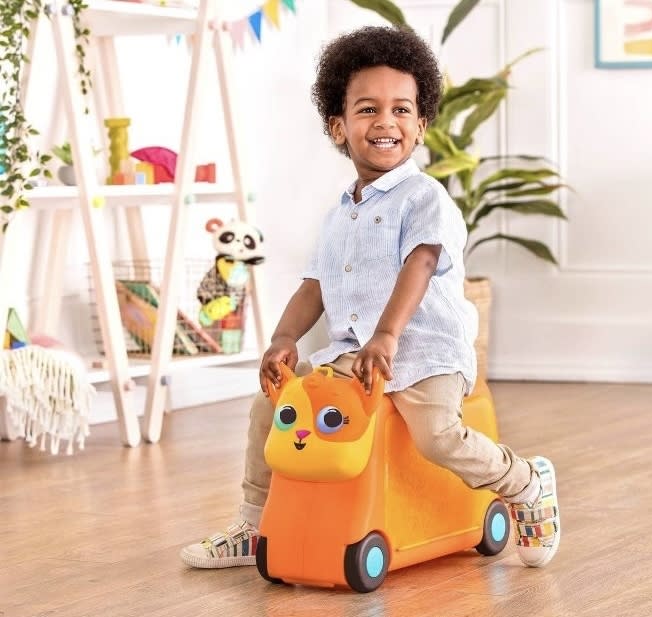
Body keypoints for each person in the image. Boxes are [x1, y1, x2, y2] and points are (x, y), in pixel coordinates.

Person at [181, 25, 559, 570]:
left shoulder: (425, 198)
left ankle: (524, 482)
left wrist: (387, 335)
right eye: (367, 109)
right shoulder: (338, 216)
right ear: (338, 126)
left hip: (425, 351)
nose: (386, 122)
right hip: (354, 354)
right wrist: (284, 339)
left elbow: (421, 264)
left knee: (435, 435)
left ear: (421, 124)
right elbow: (313, 285)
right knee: (273, 402)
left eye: (402, 110)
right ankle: (254, 524)